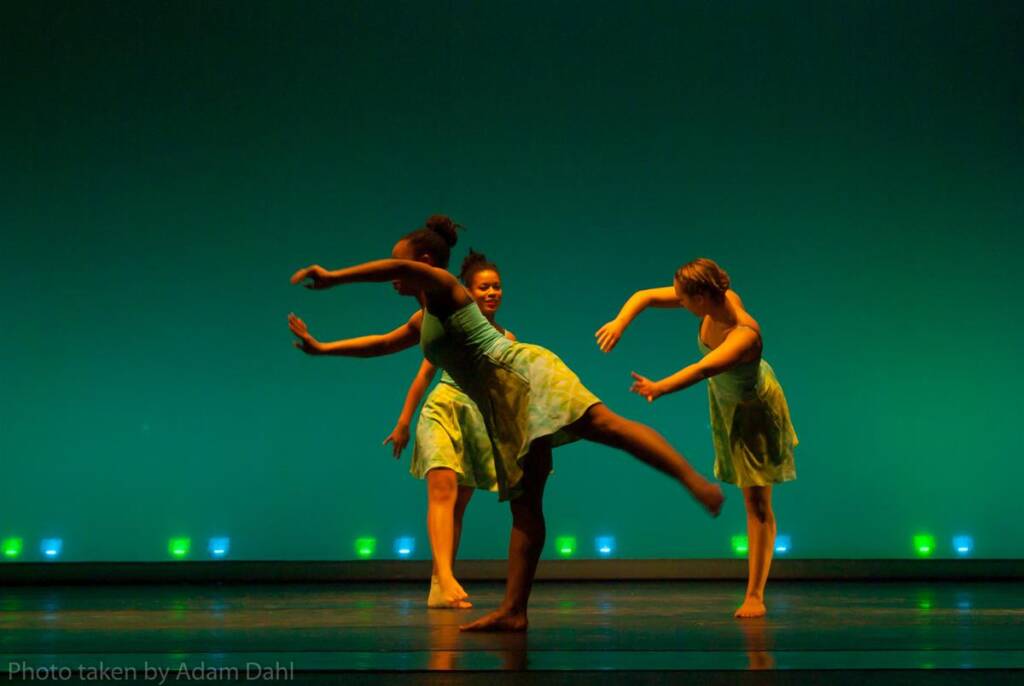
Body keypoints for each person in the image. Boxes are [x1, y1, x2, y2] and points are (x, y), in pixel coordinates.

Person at [288, 216, 723, 631]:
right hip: (504, 403)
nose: (394, 278)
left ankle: (693, 481)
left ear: (423, 264)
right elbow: (383, 344)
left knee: (607, 426)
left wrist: (332, 277)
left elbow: (396, 268)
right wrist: (322, 348)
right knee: (525, 505)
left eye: (401, 266)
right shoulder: (425, 319)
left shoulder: (446, 287)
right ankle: (514, 612)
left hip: (523, 374)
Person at [596, 258, 797, 618]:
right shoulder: (712, 301)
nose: (680, 303)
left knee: (757, 503)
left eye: (684, 299)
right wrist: (620, 322)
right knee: (749, 495)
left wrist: (659, 387)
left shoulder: (744, 334)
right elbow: (644, 296)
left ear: (702, 297)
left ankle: (755, 595)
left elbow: (703, 368)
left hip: (752, 411)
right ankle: (754, 591)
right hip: (727, 400)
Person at [383, 249, 514, 610]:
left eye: (497, 287)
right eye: (484, 287)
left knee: (458, 506)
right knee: (442, 491)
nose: (492, 293)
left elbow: (506, 394)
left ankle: (440, 583)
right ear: (468, 292)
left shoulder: (507, 338)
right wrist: (403, 423)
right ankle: (444, 576)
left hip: (476, 421)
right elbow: (423, 376)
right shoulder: (452, 323)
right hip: (444, 409)